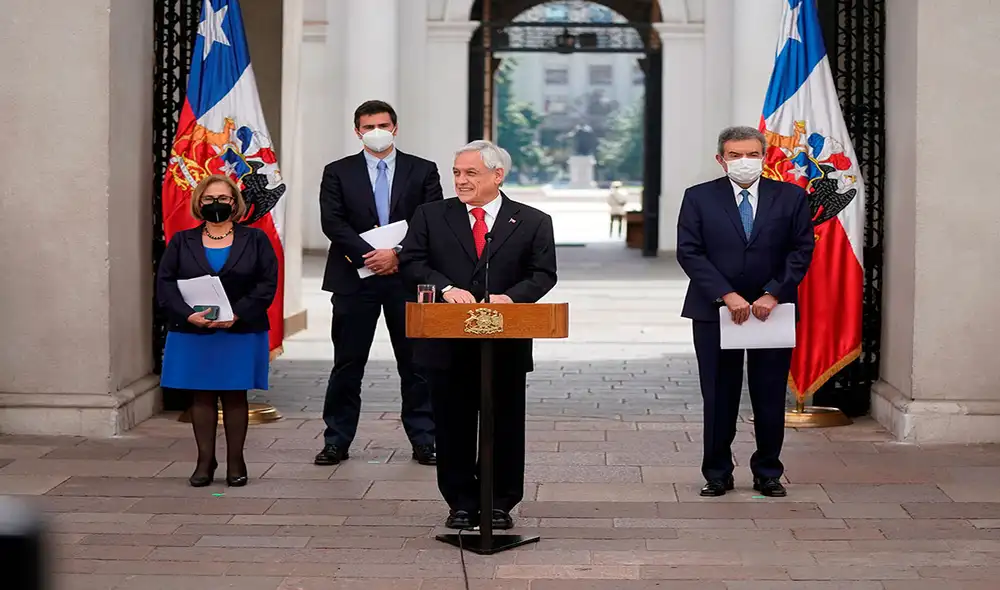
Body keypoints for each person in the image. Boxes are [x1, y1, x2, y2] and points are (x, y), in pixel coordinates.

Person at [399, 140, 557, 530]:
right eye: (457, 172)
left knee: (503, 423)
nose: (461, 180)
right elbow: (412, 261)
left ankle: (500, 502)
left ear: (497, 175)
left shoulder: (533, 220)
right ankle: (461, 503)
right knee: (452, 424)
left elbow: (543, 274)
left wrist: (511, 297)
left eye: (471, 173)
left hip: (504, 341)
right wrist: (445, 287)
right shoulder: (431, 215)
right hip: (446, 342)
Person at [676, 126, 814, 498]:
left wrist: (773, 293)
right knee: (719, 396)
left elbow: (800, 251)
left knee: (769, 396)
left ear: (764, 157)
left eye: (751, 154)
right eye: (735, 155)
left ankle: (768, 470)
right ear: (721, 159)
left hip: (773, 312)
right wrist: (727, 294)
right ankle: (717, 472)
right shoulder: (699, 197)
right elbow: (689, 251)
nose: (744, 162)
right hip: (715, 311)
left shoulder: (790, 197)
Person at [316, 100, 443, 467]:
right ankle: (336, 440)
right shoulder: (338, 172)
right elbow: (332, 222)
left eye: (383, 125)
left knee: (417, 364)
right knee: (347, 363)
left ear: (396, 128)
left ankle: (425, 439)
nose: (377, 132)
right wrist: (370, 255)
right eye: (369, 126)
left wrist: (397, 255)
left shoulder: (423, 170)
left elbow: (430, 220)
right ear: (357, 131)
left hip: (407, 280)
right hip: (354, 279)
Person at [156, 174, 278, 488]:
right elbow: (165, 285)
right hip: (194, 331)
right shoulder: (182, 241)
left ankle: (236, 460)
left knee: (235, 394)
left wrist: (238, 313)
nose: (216, 204)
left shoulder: (255, 239)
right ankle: (204, 461)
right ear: (199, 203)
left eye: (224, 199)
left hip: (241, 329)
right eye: (209, 199)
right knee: (202, 396)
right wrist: (188, 315)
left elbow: (267, 284)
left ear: (235, 203)